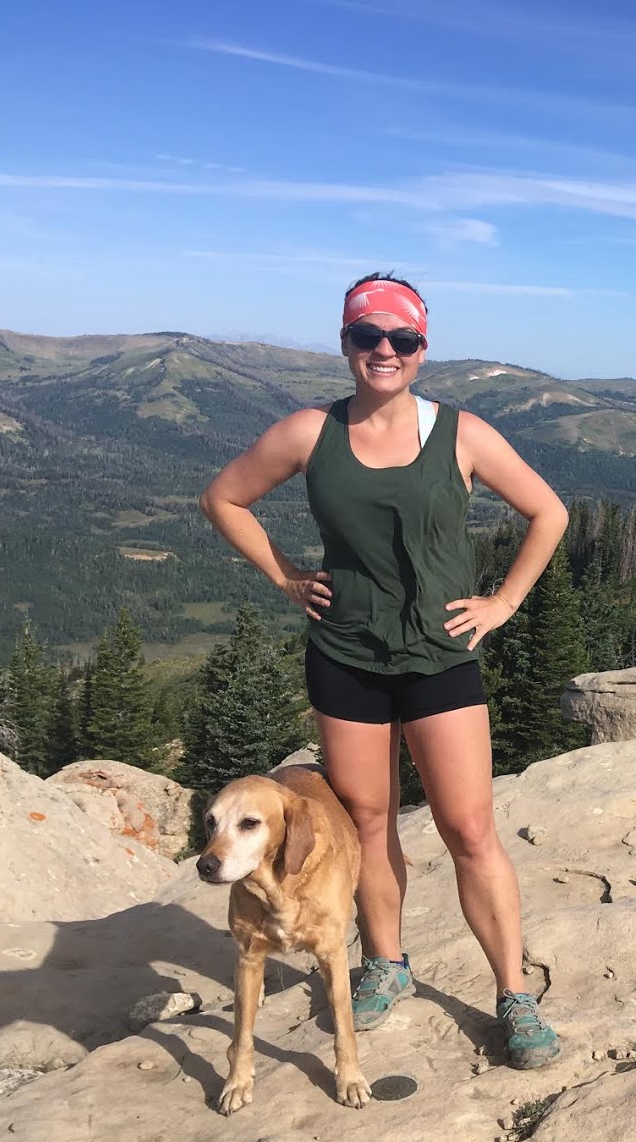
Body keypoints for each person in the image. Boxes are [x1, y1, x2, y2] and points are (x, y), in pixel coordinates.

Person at [199, 272, 566, 1069]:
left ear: (423, 349)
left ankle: (514, 995)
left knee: (469, 829)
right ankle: (387, 964)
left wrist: (503, 602)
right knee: (367, 825)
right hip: (346, 657)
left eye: (402, 339)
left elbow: (550, 512)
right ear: (346, 344)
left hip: (439, 658)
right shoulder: (309, 434)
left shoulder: (462, 435)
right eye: (368, 337)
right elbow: (224, 498)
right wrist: (287, 578)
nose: (384, 351)